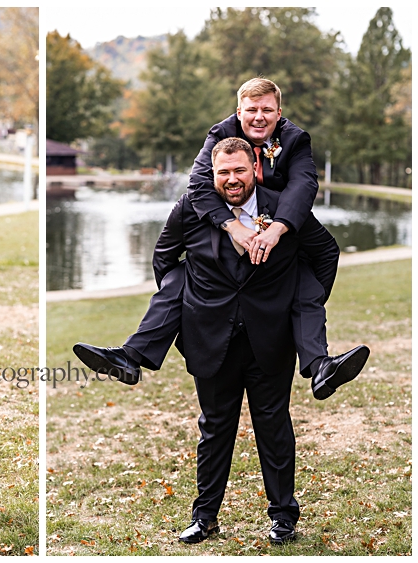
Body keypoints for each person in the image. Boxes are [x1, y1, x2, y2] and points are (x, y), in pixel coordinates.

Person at [74, 77, 365, 400]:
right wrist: (232, 227)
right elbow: (198, 186)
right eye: (251, 109)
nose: (259, 116)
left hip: (283, 236)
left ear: (279, 113)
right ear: (238, 112)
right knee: (181, 278)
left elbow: (303, 186)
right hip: (221, 228)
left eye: (267, 110)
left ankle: (321, 366)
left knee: (302, 282)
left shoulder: (294, 140)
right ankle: (130, 357)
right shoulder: (220, 135)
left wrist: (278, 229)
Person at [163, 138, 302, 544]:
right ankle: (204, 517)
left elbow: (324, 253)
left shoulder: (282, 208)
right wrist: (189, 310)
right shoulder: (191, 208)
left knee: (274, 429)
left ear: (254, 169)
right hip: (211, 340)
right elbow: (164, 258)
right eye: (223, 172)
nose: (231, 179)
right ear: (212, 174)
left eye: (239, 170)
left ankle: (283, 518)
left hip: (270, 340)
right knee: (214, 429)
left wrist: (297, 307)